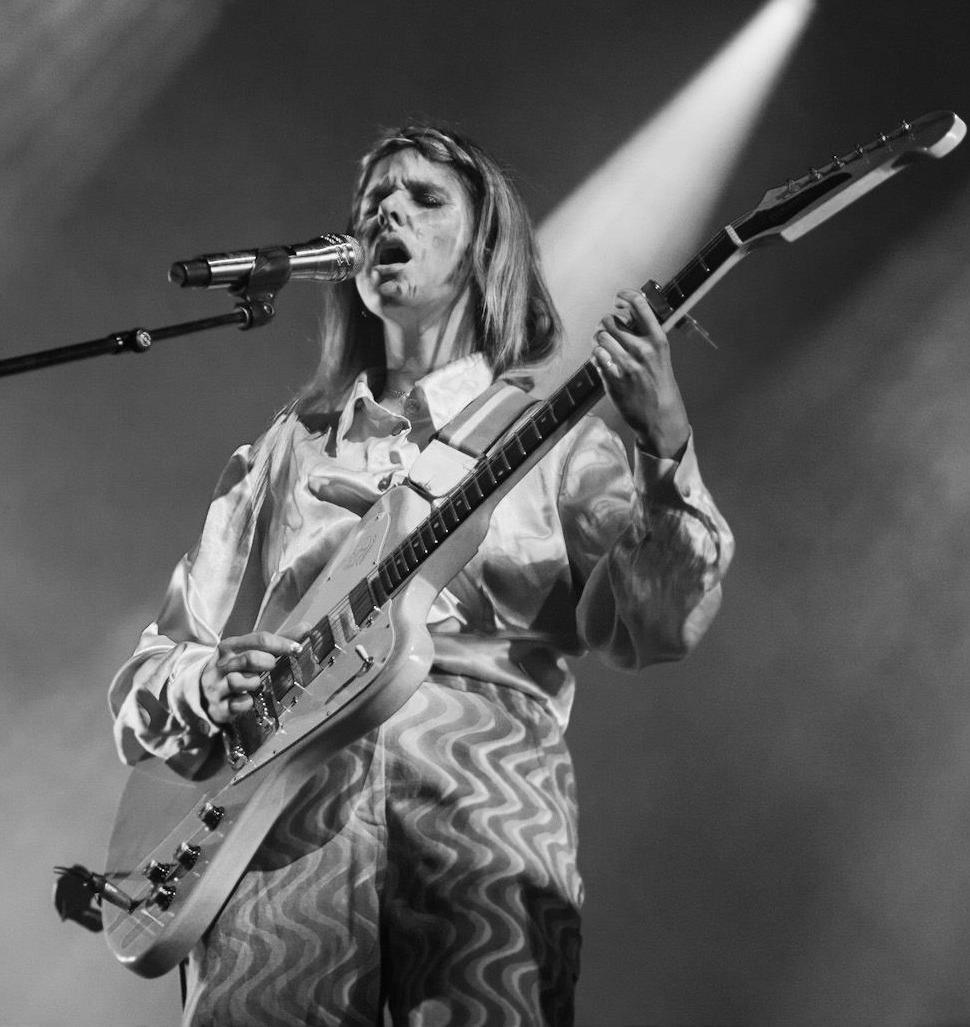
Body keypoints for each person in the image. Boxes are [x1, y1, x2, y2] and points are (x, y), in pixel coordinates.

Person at [109, 125, 734, 1026]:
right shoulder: (286, 452)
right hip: (277, 842)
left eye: (424, 197)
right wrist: (205, 681)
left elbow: (659, 625)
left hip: (484, 819)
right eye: (372, 202)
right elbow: (149, 673)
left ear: (485, 246)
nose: (386, 214)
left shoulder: (554, 443)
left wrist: (664, 444)